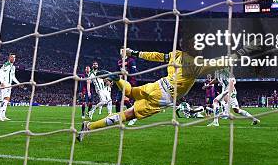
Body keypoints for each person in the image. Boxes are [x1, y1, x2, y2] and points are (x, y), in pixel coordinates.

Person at [77, 46, 233, 142]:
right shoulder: (198, 65)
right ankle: (89, 127)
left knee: (130, 92)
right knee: (129, 114)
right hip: (163, 97)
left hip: (157, 84)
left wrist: (135, 53)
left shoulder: (176, 54)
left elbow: (157, 56)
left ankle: (117, 79)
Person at [0, 53, 19, 121]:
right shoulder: (6, 65)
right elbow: (1, 73)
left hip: (9, 85)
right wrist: (2, 82)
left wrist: (18, 83)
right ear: (9, 58)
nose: (13, 59)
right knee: (1, 100)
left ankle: (3, 115)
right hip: (3, 85)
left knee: (6, 100)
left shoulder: (13, 67)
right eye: (12, 57)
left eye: (14, 57)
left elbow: (13, 77)